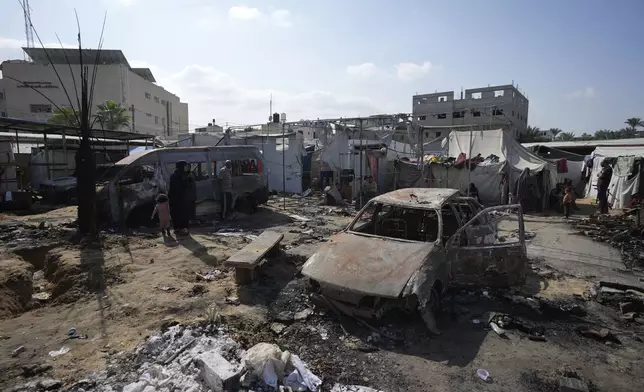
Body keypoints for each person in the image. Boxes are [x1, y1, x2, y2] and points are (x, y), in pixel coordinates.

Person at [169, 160, 190, 234]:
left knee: (175, 213)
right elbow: (185, 186)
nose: (186, 168)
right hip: (181, 198)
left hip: (173, 198)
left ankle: (176, 228)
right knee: (183, 213)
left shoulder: (173, 175)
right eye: (185, 166)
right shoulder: (183, 175)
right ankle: (183, 228)